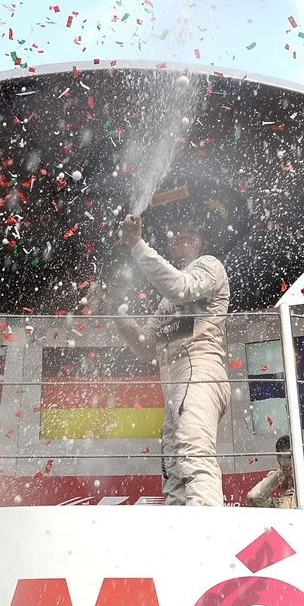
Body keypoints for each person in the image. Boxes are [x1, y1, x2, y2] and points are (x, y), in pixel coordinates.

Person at [116, 177, 245, 507]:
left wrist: (137, 245)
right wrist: (114, 311)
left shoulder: (209, 266)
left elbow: (181, 286)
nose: (184, 233)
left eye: (192, 230)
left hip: (200, 372)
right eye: (178, 230)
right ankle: (179, 526)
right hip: (175, 385)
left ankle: (207, 526)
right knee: (173, 470)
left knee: (193, 454)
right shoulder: (166, 301)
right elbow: (146, 345)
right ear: (170, 243)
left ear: (203, 240)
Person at [246, 436, 304, 510]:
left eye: (295, 479)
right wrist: (281, 472)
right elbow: (253, 497)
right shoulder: (274, 506)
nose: (291, 484)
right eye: (287, 480)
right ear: (278, 486)